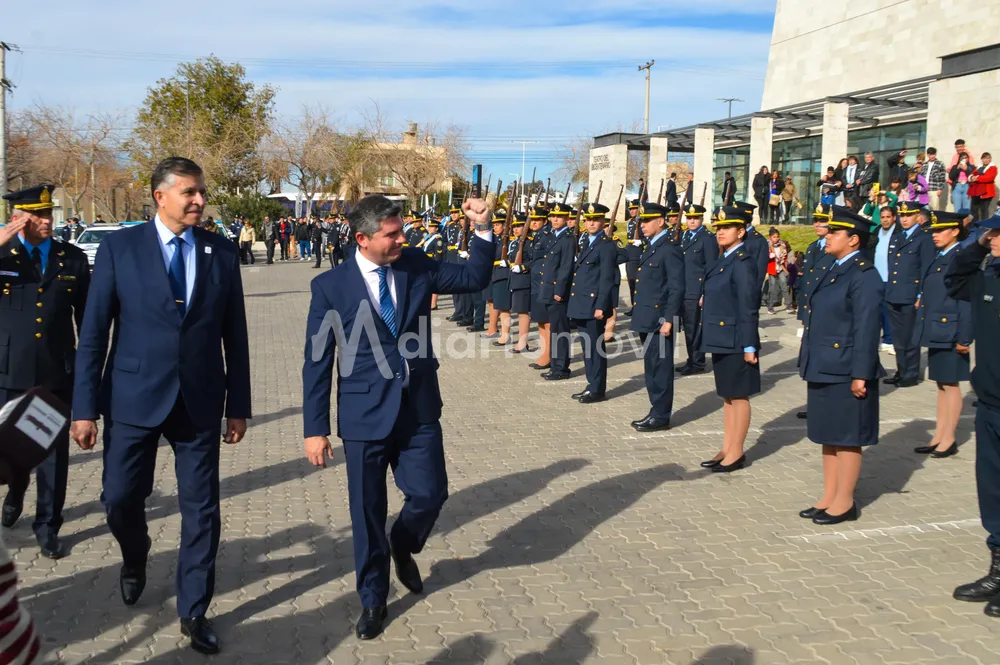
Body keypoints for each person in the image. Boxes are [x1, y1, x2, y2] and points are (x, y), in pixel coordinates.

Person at [70, 157, 251, 655]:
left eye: (201, 191)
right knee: (118, 497)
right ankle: (135, 554)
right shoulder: (120, 249)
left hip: (199, 399)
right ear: (160, 196)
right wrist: (83, 408)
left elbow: (235, 335)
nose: (199, 200)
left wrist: (238, 404)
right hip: (132, 397)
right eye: (190, 192)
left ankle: (193, 609)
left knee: (202, 509)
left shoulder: (219, 251)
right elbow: (93, 334)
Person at [301, 194, 494, 640]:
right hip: (363, 414)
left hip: (418, 408)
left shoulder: (415, 266)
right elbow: (317, 361)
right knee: (367, 511)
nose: (402, 239)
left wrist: (483, 229)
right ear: (362, 238)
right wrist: (315, 429)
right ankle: (373, 598)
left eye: (401, 230)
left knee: (430, 494)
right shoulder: (330, 287)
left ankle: (402, 544)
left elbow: (474, 276)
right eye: (392, 234)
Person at [0, 185, 90, 560]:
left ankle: (48, 525)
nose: (47, 221)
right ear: (17, 218)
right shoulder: (3, 254)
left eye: (48, 213)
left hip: (56, 371)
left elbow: (88, 320)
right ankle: (16, 490)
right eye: (37, 215)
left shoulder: (72, 258)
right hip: (9, 372)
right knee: (11, 448)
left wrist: (88, 372)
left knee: (53, 453)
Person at [797, 205, 883, 525]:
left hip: (846, 366)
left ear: (854, 240)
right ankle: (829, 495)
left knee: (847, 437)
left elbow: (867, 328)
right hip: (823, 362)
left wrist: (861, 373)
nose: (828, 235)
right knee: (828, 434)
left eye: (835, 232)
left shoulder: (864, 275)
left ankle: (845, 501)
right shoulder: (832, 268)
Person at [945, 213, 1000, 618]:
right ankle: (998, 570)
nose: (991, 238)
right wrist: (977, 247)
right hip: (991, 404)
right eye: (990, 232)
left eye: (996, 234)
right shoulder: (989, 277)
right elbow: (954, 278)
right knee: (994, 493)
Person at [699, 205, 761, 472]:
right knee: (727, 396)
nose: (720, 232)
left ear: (741, 231)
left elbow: (748, 306)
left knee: (739, 396)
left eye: (727, 228)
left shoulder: (743, 263)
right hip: (721, 337)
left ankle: (737, 452)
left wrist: (750, 345)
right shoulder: (724, 259)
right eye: (718, 228)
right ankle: (727, 447)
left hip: (737, 338)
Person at [914, 211, 973, 458]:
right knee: (941, 383)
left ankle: (949, 438)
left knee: (951, 384)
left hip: (951, 330)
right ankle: (939, 435)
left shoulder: (960, 259)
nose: (935, 235)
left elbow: (967, 301)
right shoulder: (941, 256)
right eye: (933, 231)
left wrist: (964, 337)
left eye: (940, 231)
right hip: (938, 327)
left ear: (955, 231)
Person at [628, 202, 684, 432]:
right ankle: (655, 410)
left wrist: (669, 319)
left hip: (660, 320)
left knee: (660, 369)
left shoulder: (669, 248)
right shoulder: (652, 246)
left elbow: (676, 287)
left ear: (660, 221)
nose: (642, 225)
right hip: (647, 318)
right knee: (651, 367)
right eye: (641, 221)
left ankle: (661, 416)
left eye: (647, 221)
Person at [567, 203, 617, 403]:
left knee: (595, 348)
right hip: (581, 303)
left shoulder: (606, 245)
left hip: (593, 305)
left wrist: (600, 306)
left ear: (603, 221)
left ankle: (597, 389)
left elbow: (606, 278)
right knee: (587, 347)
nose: (591, 223)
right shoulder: (587, 242)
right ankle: (592, 384)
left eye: (595, 220)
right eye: (588, 220)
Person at [884, 201, 936, 387]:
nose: (904, 219)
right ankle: (901, 370)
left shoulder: (924, 238)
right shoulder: (897, 236)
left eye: (909, 215)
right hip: (894, 293)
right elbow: (892, 266)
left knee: (911, 337)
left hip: (911, 295)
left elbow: (926, 268)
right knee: (898, 338)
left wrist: (921, 294)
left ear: (917, 216)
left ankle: (911, 373)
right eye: (902, 215)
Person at [676, 204, 716, 376]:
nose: (692, 221)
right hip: (684, 289)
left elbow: (711, 268)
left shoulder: (707, 239)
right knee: (688, 327)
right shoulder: (684, 236)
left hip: (696, 291)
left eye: (695, 218)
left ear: (701, 219)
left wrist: (705, 292)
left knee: (694, 328)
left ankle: (698, 362)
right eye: (689, 218)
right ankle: (692, 358)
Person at [538, 203, 576, 381]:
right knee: (554, 329)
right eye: (553, 216)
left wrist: (559, 289)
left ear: (567, 218)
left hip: (557, 291)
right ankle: (555, 365)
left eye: (559, 216)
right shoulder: (553, 236)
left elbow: (566, 267)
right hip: (548, 289)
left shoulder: (567, 239)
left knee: (560, 330)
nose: (555, 219)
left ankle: (561, 368)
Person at [528, 207, 554, 368]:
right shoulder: (537, 236)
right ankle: (544, 353)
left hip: (544, 283)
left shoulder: (548, 237)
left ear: (545, 221)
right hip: (536, 283)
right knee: (540, 321)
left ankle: (548, 355)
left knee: (547, 322)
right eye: (532, 220)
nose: (534, 222)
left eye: (537, 220)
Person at [507, 214, 533, 353]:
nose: (515, 229)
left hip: (524, 280)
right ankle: (521, 341)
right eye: (514, 227)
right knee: (519, 311)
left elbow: (534, 261)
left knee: (523, 312)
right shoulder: (516, 242)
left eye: (519, 226)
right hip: (516, 280)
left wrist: (523, 267)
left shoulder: (528, 243)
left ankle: (523, 343)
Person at [623, 200, 644, 316]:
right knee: (631, 282)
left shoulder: (642, 221)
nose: (632, 211)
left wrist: (641, 242)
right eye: (630, 209)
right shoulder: (630, 222)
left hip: (637, 253)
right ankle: (634, 306)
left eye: (634, 209)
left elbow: (648, 237)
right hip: (629, 253)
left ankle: (639, 306)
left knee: (637, 282)